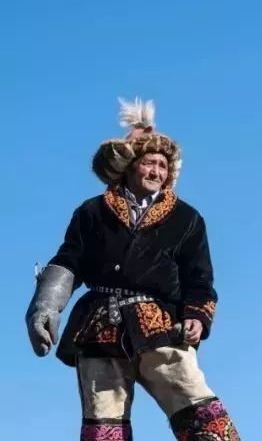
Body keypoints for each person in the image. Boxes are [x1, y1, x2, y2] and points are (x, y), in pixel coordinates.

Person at [25, 98, 240, 440]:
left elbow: (199, 278)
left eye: (163, 166)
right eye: (149, 163)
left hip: (162, 325)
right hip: (99, 326)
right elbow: (68, 260)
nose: (156, 172)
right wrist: (45, 307)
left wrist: (197, 317)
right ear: (129, 165)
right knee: (103, 421)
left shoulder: (187, 218)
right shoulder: (92, 212)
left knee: (197, 408)